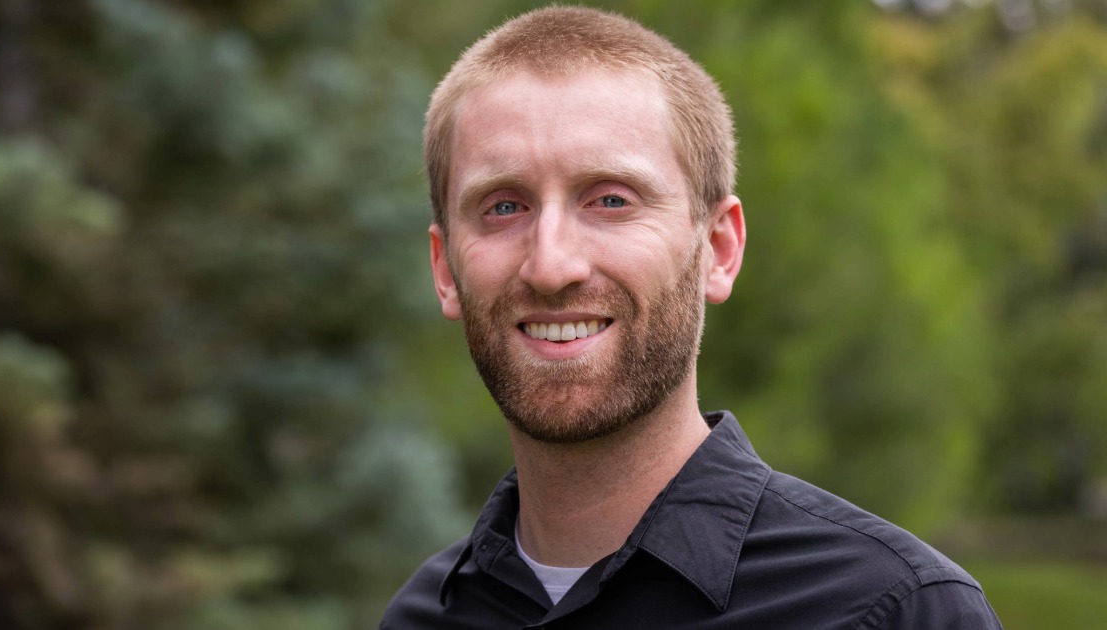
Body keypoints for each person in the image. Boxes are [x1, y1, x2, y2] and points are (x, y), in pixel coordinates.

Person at [382, 6, 1002, 629]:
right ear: (444, 269)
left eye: (611, 200)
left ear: (719, 249)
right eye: (504, 206)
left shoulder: (895, 611)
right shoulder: (421, 617)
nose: (550, 265)